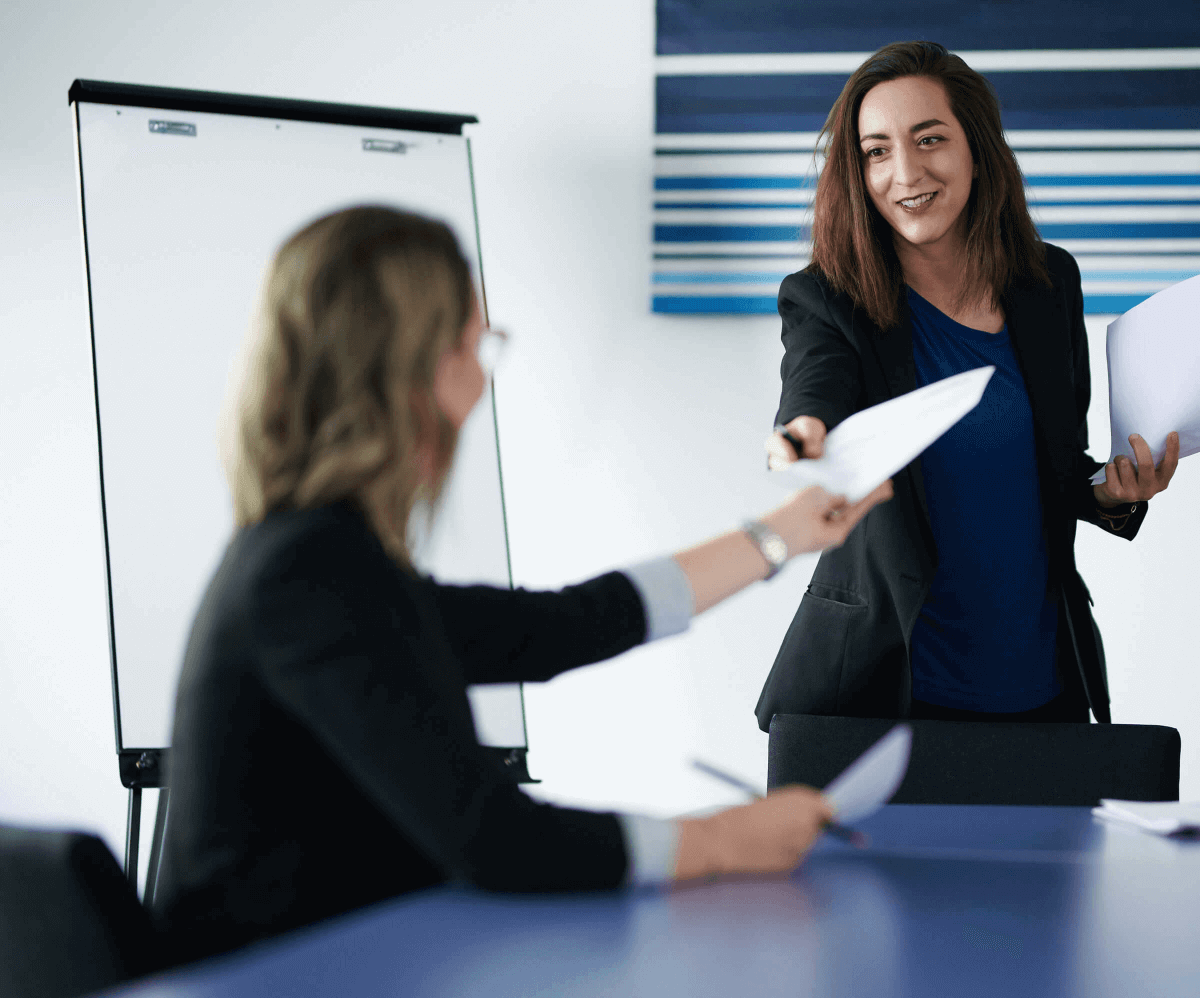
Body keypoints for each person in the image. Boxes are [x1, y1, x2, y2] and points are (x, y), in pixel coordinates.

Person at [154, 205, 892, 963]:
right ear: (411, 371)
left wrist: (782, 535)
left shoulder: (325, 562)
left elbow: (559, 626)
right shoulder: (308, 577)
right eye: (474, 346)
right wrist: (724, 840)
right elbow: (495, 839)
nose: (481, 381)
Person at [757, 41, 1179, 732]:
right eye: (876, 152)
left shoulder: (1048, 283)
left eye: (930, 139)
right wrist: (804, 435)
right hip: (885, 694)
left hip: (1044, 690)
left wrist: (1112, 494)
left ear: (978, 149)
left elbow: (1055, 468)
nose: (906, 172)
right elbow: (814, 387)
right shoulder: (827, 299)